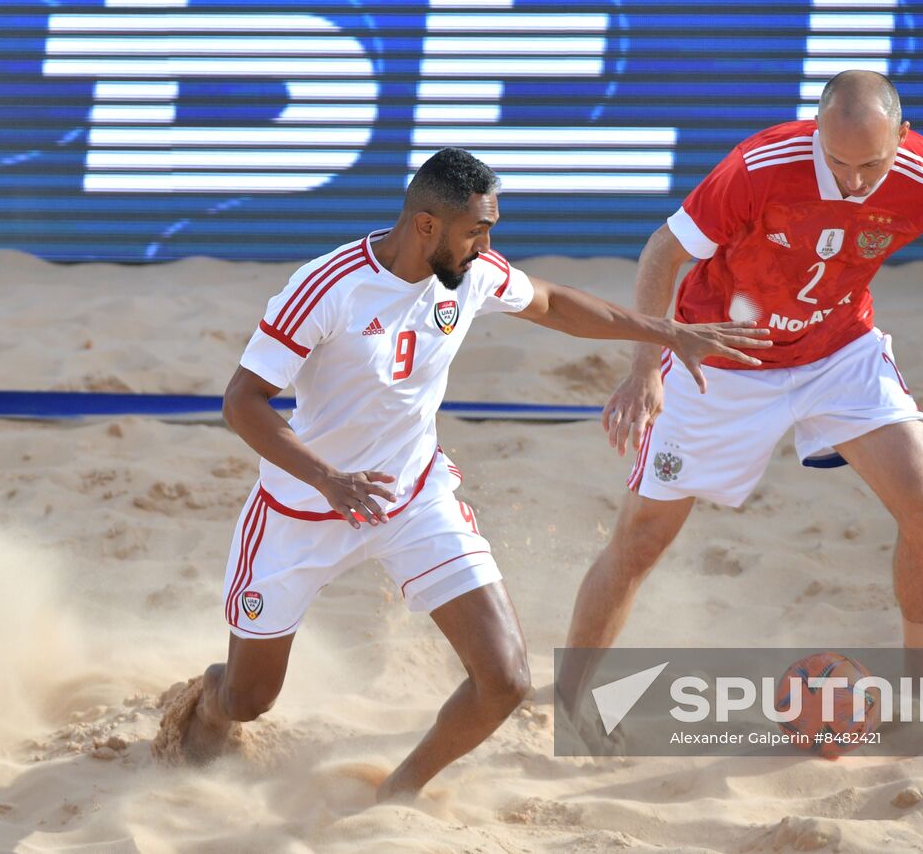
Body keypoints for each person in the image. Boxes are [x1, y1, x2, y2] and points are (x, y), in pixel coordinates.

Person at [152, 148, 771, 799]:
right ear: (426, 225)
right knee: (250, 698)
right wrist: (329, 478)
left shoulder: (470, 274)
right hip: (302, 509)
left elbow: (554, 303)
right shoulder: (329, 286)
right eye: (477, 230)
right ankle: (206, 703)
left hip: (413, 498)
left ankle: (395, 798)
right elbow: (242, 401)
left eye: (491, 229)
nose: (487, 244)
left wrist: (665, 332)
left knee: (503, 680)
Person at [558, 70, 923, 712]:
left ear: (904, 137)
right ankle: (567, 700)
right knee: (641, 537)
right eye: (837, 160)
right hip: (722, 353)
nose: (854, 180)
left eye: (872, 164)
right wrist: (644, 368)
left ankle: (920, 697)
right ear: (814, 132)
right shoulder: (760, 165)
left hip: (838, 352)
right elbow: (662, 252)